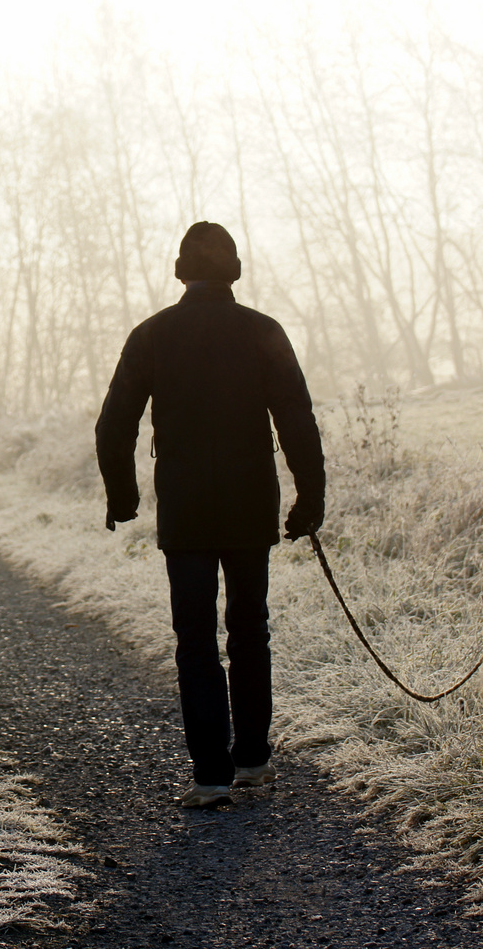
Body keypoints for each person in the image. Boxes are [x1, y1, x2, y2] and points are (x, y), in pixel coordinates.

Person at [95, 221, 325, 809]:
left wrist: (123, 498)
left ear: (180, 272)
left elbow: (113, 426)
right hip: (251, 505)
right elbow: (296, 420)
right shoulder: (263, 332)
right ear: (235, 271)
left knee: (194, 638)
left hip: (187, 510)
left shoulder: (152, 335)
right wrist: (309, 498)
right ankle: (252, 759)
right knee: (250, 630)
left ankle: (211, 776)